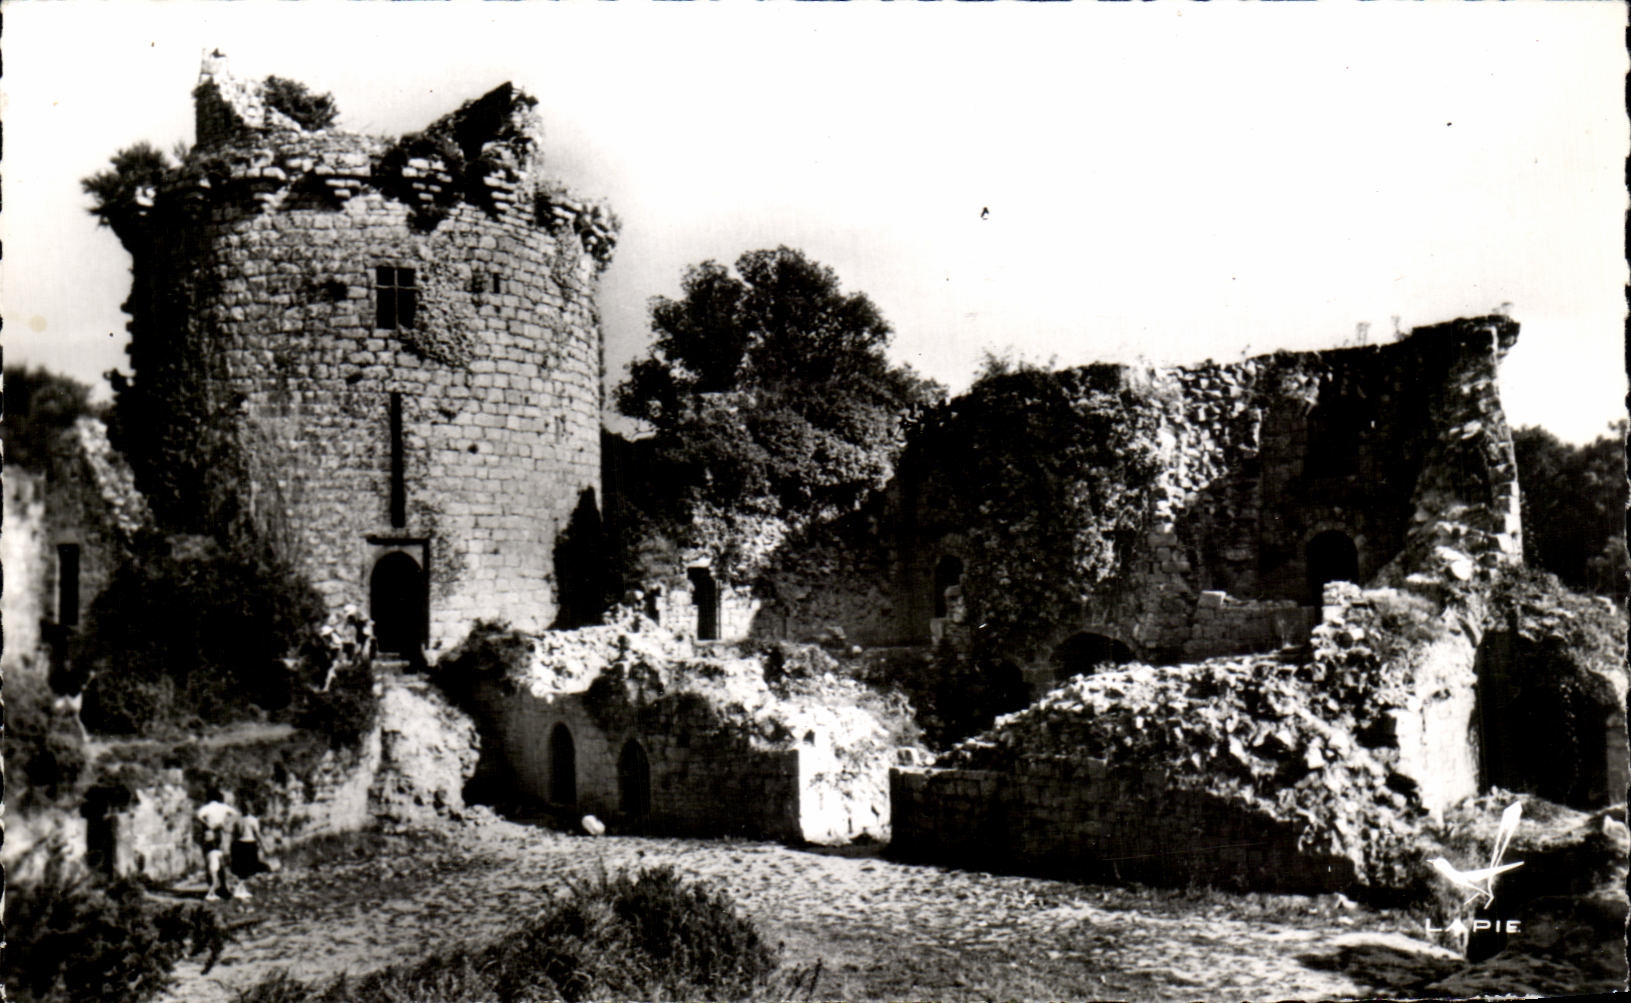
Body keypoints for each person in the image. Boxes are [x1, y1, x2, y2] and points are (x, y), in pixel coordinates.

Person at [194, 788, 239, 902]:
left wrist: (207, 824)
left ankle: (212, 888)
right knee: (220, 860)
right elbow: (235, 814)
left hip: (209, 833)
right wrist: (225, 823)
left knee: (209, 859)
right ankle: (223, 887)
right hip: (220, 834)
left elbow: (198, 815)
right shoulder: (223, 807)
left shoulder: (207, 808)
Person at [228, 792, 267, 898]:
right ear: (249, 809)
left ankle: (241, 889)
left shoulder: (238, 821)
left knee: (242, 869)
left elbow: (234, 835)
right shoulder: (253, 820)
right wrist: (264, 846)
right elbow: (257, 834)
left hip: (239, 844)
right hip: (249, 843)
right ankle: (240, 890)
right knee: (249, 868)